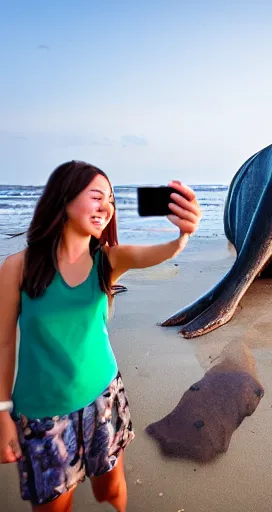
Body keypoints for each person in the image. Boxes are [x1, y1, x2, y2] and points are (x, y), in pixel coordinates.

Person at [0, 161, 202, 511]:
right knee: (54, 507)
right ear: (64, 200)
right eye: (96, 196)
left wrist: (183, 236)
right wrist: (2, 412)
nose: (106, 207)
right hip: (42, 415)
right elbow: (3, 343)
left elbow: (159, 253)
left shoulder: (108, 260)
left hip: (104, 397)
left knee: (110, 490)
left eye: (110, 199)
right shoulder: (18, 267)